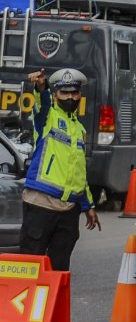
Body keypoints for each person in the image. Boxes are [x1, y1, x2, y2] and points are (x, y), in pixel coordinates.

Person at [19, 68, 100, 271]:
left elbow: (79, 173)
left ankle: (52, 304)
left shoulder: (79, 129)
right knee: (31, 269)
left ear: (80, 95)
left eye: (74, 92)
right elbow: (41, 102)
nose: (70, 97)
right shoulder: (47, 117)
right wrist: (40, 87)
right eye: (65, 93)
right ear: (55, 95)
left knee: (59, 271)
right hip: (41, 204)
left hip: (68, 210)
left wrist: (88, 205)